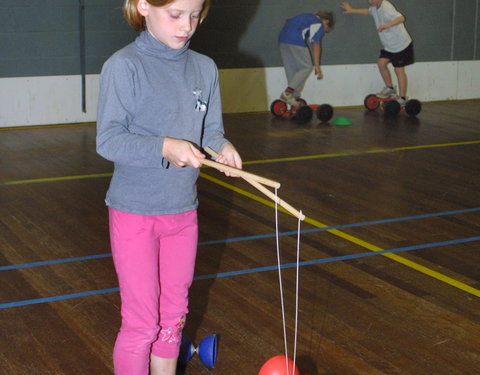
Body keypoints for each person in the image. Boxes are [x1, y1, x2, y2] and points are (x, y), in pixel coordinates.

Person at [96, 0, 242, 374]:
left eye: (195, 15)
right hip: (134, 214)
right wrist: (164, 146)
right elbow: (109, 140)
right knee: (142, 323)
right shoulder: (124, 66)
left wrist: (222, 148)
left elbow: (210, 130)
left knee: (174, 317)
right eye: (176, 15)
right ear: (143, 6)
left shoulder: (204, 68)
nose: (187, 26)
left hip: (182, 212)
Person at [341, 0, 414, 105]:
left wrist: (387, 25)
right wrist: (352, 10)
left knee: (398, 70)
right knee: (381, 63)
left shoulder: (387, 7)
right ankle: (390, 89)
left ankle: (402, 98)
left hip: (400, 45)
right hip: (389, 46)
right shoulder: (375, 7)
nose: (369, 0)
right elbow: (368, 11)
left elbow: (401, 18)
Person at [278, 11, 335, 106]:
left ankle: (294, 97)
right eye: (326, 29)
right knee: (307, 67)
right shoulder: (318, 23)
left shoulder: (307, 17)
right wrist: (317, 66)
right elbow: (316, 44)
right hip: (295, 40)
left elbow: (287, 21)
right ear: (326, 21)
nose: (324, 32)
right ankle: (287, 93)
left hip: (282, 40)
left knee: (293, 71)